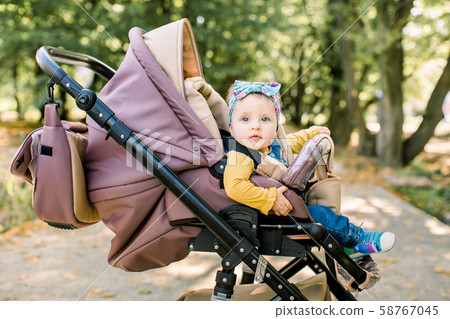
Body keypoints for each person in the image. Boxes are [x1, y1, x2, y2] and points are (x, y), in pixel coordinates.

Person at [223, 80, 396, 258]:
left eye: (265, 119)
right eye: (245, 119)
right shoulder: (241, 155)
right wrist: (269, 199)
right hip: (274, 213)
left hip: (295, 202)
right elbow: (234, 187)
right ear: (232, 128)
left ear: (275, 128)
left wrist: (313, 133)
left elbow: (293, 142)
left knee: (324, 207)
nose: (256, 126)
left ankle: (343, 244)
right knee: (322, 215)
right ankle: (357, 239)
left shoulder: (271, 145)